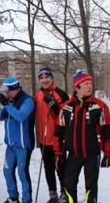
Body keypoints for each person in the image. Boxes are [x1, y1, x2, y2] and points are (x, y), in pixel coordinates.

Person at [54, 70, 110, 203]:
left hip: (92, 155)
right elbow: (58, 133)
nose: (89, 86)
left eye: (91, 83)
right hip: (73, 154)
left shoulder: (100, 106)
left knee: (91, 187)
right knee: (69, 185)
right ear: (78, 86)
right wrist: (58, 154)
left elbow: (108, 132)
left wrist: (108, 154)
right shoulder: (66, 107)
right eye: (86, 83)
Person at [0, 76, 35, 203]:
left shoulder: (27, 100)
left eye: (8, 91)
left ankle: (26, 199)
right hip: (10, 144)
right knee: (7, 171)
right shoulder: (10, 101)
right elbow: (1, 117)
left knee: (22, 172)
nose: (6, 94)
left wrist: (7, 104)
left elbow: (21, 116)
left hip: (23, 144)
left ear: (15, 89)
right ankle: (13, 196)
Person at [34, 68, 69, 203]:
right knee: (48, 169)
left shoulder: (60, 94)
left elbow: (66, 116)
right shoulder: (38, 96)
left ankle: (64, 194)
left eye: (46, 77)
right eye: (41, 78)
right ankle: (52, 194)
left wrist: (54, 107)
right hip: (43, 140)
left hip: (57, 139)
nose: (44, 80)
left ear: (52, 78)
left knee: (60, 168)